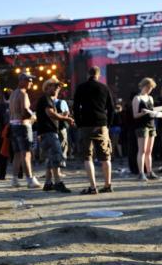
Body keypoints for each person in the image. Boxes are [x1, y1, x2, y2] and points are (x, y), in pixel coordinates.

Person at [73, 66, 114, 194]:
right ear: (98, 75)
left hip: (85, 125)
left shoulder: (80, 87)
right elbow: (111, 109)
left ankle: (93, 187)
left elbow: (75, 107)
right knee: (105, 156)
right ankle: (107, 185)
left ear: (87, 75)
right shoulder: (104, 88)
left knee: (87, 157)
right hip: (101, 124)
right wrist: (108, 125)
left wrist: (79, 123)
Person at [36, 78, 75, 193]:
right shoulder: (45, 99)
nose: (58, 89)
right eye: (55, 86)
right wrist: (66, 118)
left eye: (59, 87)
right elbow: (50, 113)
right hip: (48, 132)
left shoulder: (49, 100)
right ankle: (58, 182)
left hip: (47, 132)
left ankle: (48, 183)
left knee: (51, 158)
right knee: (57, 155)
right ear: (47, 87)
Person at [9, 73, 41, 188]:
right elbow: (25, 111)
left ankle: (14, 179)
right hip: (23, 126)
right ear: (21, 81)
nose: (31, 83)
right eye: (29, 80)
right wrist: (34, 116)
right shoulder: (23, 93)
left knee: (17, 154)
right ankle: (30, 180)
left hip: (13, 125)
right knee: (26, 153)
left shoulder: (13, 94)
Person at [132, 78, 162, 181]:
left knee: (149, 151)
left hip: (151, 125)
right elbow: (135, 115)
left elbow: (152, 110)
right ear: (144, 86)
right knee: (142, 150)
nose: (150, 90)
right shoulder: (137, 98)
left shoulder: (150, 98)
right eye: (149, 87)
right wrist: (143, 113)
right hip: (142, 126)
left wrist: (157, 112)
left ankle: (150, 172)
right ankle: (141, 173)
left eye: (151, 88)